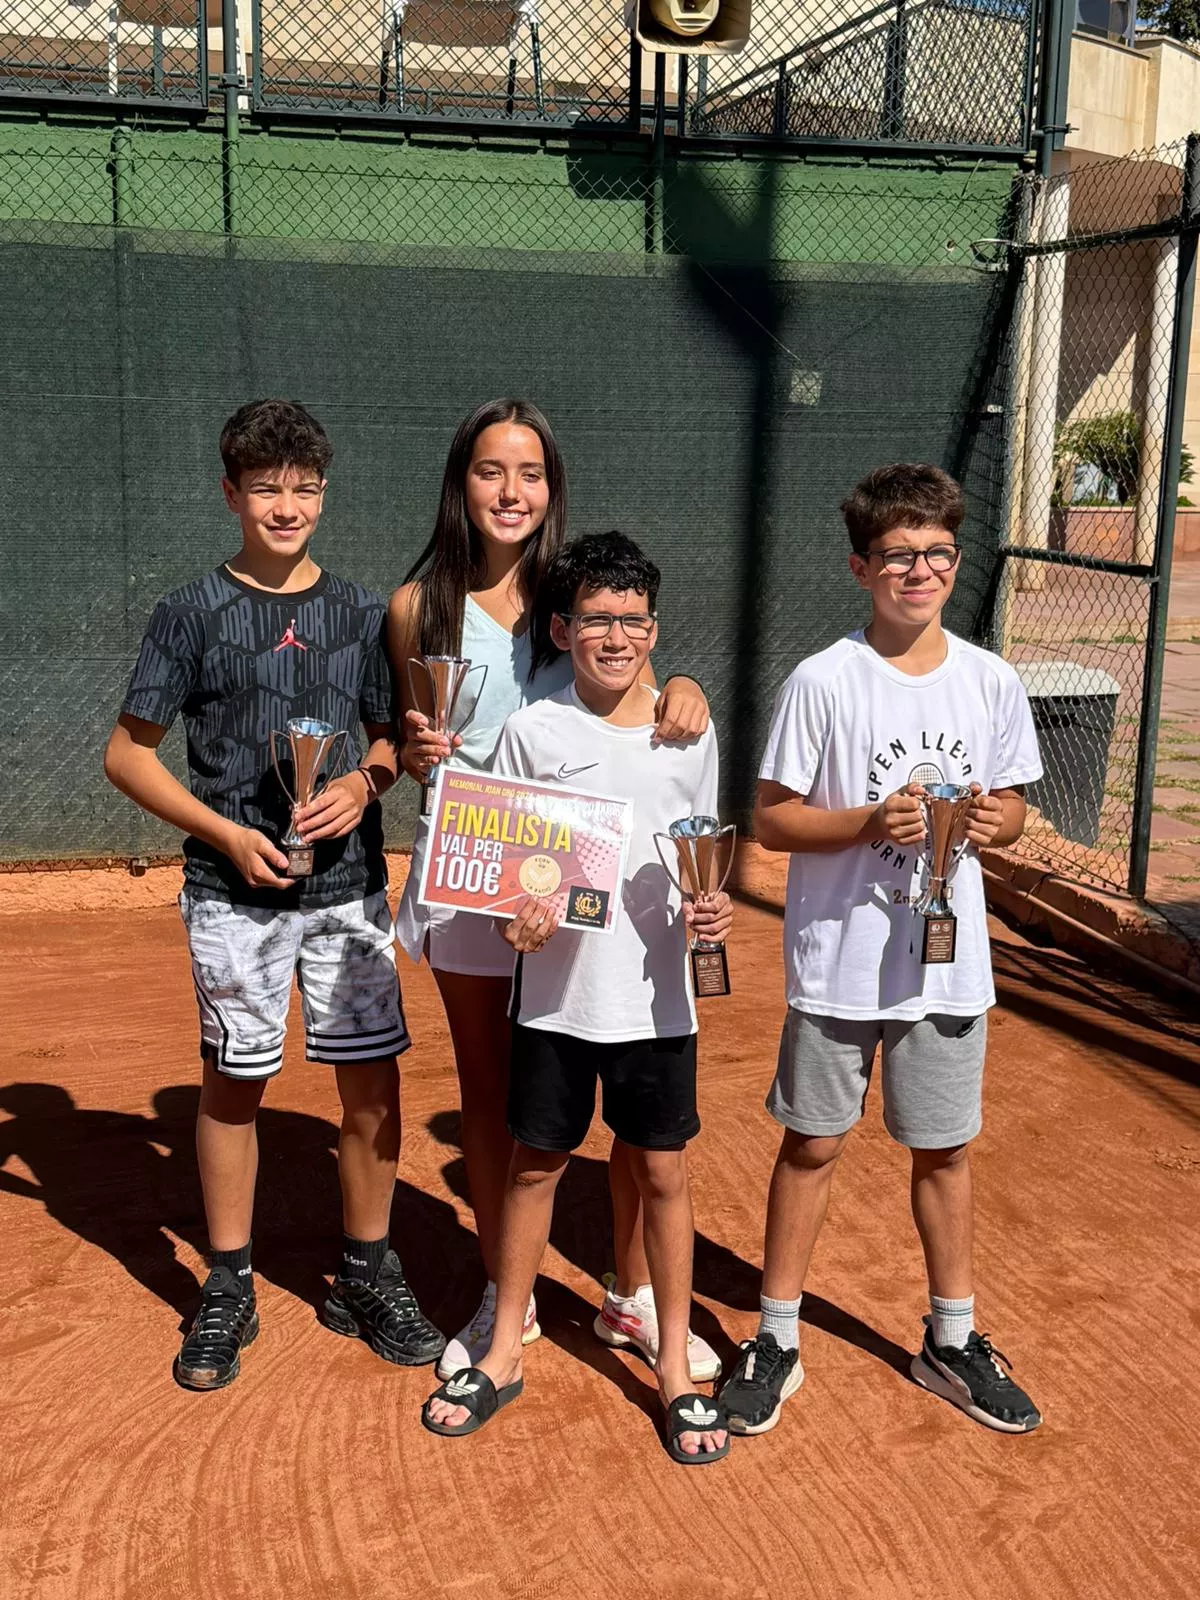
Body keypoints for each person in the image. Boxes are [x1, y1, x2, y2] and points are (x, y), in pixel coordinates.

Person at [104, 399, 444, 1390]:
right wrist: (221, 831)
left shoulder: (359, 610)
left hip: (347, 892)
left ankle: (365, 1271)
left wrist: (365, 782)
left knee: (371, 1083)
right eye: (265, 488)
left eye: (302, 488)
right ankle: (228, 1280)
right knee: (233, 1084)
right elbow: (128, 754)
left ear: (323, 493)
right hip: (231, 892)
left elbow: (392, 738)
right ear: (231, 494)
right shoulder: (190, 612)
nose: (285, 505)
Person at [387, 399, 719, 1383]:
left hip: (579, 882)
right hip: (469, 867)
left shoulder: (573, 594)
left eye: (529, 473)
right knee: (495, 1094)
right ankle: (506, 1289)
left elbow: (643, 687)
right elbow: (414, 752)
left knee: (618, 1062)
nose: (510, 492)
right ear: (462, 482)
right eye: (491, 471)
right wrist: (408, 753)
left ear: (551, 489)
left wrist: (690, 679)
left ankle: (630, 1292)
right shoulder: (417, 605)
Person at [719, 463, 1045, 1437]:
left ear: (956, 559)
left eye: (938, 552)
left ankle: (951, 1336)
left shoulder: (991, 678)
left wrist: (995, 820)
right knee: (812, 1143)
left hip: (950, 969)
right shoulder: (824, 680)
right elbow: (773, 821)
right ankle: (776, 1335)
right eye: (898, 555)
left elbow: (1018, 805)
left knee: (943, 1151)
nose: (920, 570)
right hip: (838, 963)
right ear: (862, 565)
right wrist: (870, 820)